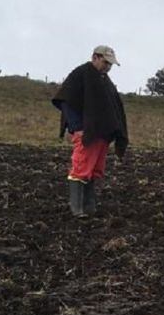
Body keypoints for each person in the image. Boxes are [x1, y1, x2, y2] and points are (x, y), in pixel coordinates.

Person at [51, 45, 129, 218]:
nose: (108, 67)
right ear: (95, 57)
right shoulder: (81, 74)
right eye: (105, 62)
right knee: (81, 167)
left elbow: (113, 107)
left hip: (102, 134)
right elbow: (65, 100)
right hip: (86, 133)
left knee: (94, 170)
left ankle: (89, 206)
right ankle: (77, 209)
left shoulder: (104, 80)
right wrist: (77, 128)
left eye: (110, 64)